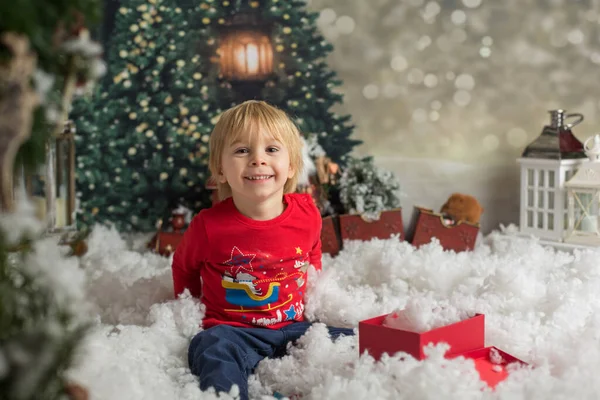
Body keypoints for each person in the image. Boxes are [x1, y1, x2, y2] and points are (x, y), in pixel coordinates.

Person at [172, 100, 354, 400]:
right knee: (211, 349)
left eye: (271, 150)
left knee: (358, 340)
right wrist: (188, 311)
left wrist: (314, 287)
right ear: (220, 169)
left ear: (292, 165)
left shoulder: (307, 213)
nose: (258, 160)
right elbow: (183, 267)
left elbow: (312, 251)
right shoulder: (209, 227)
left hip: (295, 328)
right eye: (242, 150)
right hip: (235, 332)